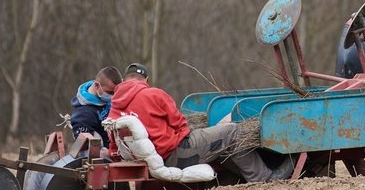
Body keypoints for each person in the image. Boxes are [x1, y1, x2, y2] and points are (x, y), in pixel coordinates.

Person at [106, 62, 294, 182]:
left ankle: (237, 177)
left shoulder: (114, 106)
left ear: (124, 80)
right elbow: (180, 124)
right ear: (146, 80)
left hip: (148, 158)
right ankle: (265, 178)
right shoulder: (154, 94)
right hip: (175, 155)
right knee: (231, 132)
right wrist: (181, 134)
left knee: (218, 141)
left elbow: (113, 144)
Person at [70, 65, 122, 146]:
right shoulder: (83, 114)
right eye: (110, 93)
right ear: (97, 86)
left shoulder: (106, 97)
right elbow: (85, 147)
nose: (113, 97)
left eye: (116, 93)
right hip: (104, 153)